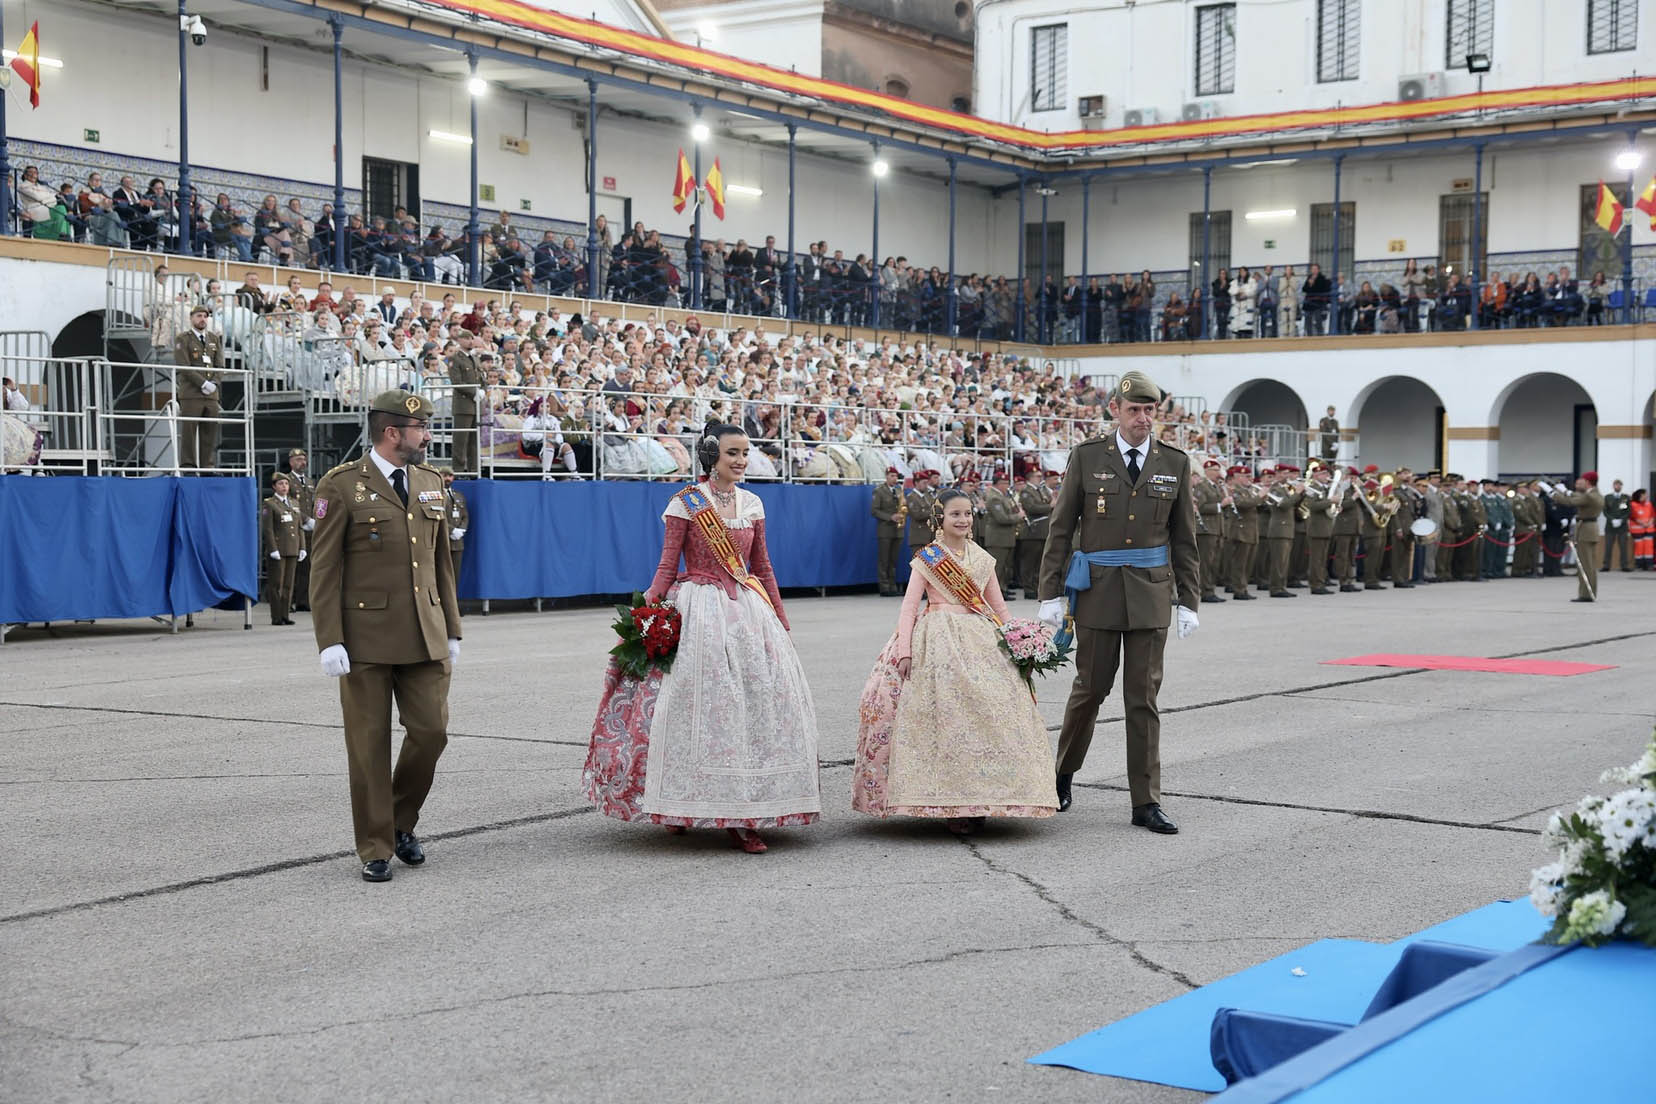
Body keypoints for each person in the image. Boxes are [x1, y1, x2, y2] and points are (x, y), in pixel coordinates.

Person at [583, 424, 821, 854]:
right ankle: (682, 804)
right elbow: (665, 566)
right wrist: (643, 617)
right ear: (712, 455)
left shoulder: (752, 503)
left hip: (748, 613)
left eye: (746, 453)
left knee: (752, 706)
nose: (742, 461)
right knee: (696, 708)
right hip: (698, 610)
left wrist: (780, 620)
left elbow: (762, 568)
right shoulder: (686, 503)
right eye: (733, 453)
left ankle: (743, 812)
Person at [308, 390, 462, 882]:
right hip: (365, 639)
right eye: (421, 429)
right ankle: (375, 845)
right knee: (368, 744)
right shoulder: (343, 485)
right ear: (392, 433)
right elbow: (324, 569)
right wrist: (329, 639)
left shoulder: (431, 481)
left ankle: (400, 822)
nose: (429, 436)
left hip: (425, 633)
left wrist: (452, 627)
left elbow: (441, 564)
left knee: (431, 732)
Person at [1037, 370, 1200, 833]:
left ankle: (1145, 802)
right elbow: (1062, 527)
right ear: (1115, 411)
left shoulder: (1174, 462)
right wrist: (1050, 592)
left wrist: (1189, 600)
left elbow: (1185, 538)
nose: (1142, 419)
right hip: (1098, 592)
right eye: (1134, 410)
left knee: (1142, 699)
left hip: (1150, 594)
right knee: (1089, 690)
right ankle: (1062, 776)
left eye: (1149, 411)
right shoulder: (1088, 457)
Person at [852, 489, 1058, 834]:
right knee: (946, 719)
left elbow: (998, 606)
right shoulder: (928, 558)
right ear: (940, 520)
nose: (963, 520)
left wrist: (1018, 643)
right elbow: (908, 607)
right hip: (937, 639)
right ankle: (949, 802)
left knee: (990, 716)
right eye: (955, 515)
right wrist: (905, 650)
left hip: (980, 637)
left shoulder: (982, 558)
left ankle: (986, 796)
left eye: (967, 514)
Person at [172, 305, 223, 472]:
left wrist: (214, 383)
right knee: (189, 432)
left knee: (210, 431)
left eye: (205, 316)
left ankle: (207, 466)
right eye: (199, 316)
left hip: (211, 395)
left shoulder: (213, 339)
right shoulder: (183, 339)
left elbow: (220, 365)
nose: (202, 319)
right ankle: (188, 466)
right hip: (191, 394)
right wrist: (203, 383)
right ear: (191, 318)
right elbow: (184, 366)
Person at [1548, 472, 1603, 602]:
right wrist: (1566, 491)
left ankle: (1585, 594)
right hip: (1590, 529)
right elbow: (1577, 497)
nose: (1580, 483)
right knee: (1589, 564)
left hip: (1585, 530)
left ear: (1588, 482)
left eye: (1582, 480)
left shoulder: (1590, 496)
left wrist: (1553, 493)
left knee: (1584, 565)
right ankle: (1590, 592)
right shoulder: (1595, 494)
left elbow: (1571, 501)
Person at [261, 472, 306, 626]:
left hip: (292, 548)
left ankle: (285, 614)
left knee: (288, 584)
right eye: (280, 484)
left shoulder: (294, 503)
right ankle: (276, 616)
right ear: (274, 486)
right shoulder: (270, 503)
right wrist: (273, 548)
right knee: (277, 584)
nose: (284, 487)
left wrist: (302, 547)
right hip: (278, 550)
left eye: (286, 484)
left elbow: (299, 527)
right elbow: (268, 529)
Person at [447, 330, 485, 474]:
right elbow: (456, 382)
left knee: (474, 442)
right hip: (463, 405)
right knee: (460, 441)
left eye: (472, 338)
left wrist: (483, 390)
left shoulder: (474, 358)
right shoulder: (455, 359)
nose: (470, 341)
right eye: (467, 338)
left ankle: (474, 470)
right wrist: (473, 392)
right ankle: (457, 470)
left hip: (476, 405)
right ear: (460, 340)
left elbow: (481, 378)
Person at [1017, 469, 1056, 601]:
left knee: (1039, 562)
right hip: (1032, 532)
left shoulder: (1041, 490)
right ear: (1030, 477)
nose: (1040, 478)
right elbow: (1032, 508)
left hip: (1042, 531)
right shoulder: (1027, 491)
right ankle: (1028, 588)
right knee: (1029, 562)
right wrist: (1049, 506)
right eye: (1037, 476)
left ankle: (1035, 587)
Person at [981, 470, 1020, 594]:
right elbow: (1002, 518)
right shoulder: (994, 498)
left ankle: (1002, 589)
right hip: (998, 538)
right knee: (997, 568)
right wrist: (1018, 516)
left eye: (1007, 482)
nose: (1007, 485)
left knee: (1004, 567)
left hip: (1005, 537)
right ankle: (994, 593)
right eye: (1004, 483)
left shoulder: (1002, 496)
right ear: (997, 484)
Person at [871, 467, 905, 597]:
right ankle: (884, 587)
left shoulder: (898, 490)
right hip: (885, 529)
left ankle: (893, 586)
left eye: (896, 476)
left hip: (897, 530)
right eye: (892, 476)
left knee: (893, 560)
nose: (894, 479)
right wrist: (890, 517)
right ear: (886, 476)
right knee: (884, 560)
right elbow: (874, 510)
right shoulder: (879, 491)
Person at [441, 467, 469, 583]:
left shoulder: (458, 495)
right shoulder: (435, 496)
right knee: (442, 576)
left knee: (455, 576)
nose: (448, 478)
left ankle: (453, 601)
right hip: (442, 541)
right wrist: (451, 530)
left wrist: (461, 530)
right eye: (444, 475)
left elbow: (465, 516)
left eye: (450, 475)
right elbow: (437, 517)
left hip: (457, 543)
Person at [1602, 479, 1631, 572]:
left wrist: (1621, 520)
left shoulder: (1625, 497)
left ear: (1621, 486)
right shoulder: (1608, 497)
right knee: (1608, 546)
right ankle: (1606, 565)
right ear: (1613, 486)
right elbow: (1605, 511)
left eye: (1619, 485)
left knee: (1623, 546)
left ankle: (1624, 565)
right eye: (1616, 485)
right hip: (1610, 526)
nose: (1617, 487)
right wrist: (1612, 520)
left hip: (1622, 527)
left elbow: (1628, 511)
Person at [1629, 489, 1653, 570]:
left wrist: (1649, 523)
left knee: (1648, 547)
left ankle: (1649, 564)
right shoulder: (1633, 504)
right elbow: (1633, 516)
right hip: (1637, 530)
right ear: (1641, 495)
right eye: (1645, 494)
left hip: (1649, 530)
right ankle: (1639, 564)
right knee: (1639, 547)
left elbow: (1653, 515)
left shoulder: (1649, 504)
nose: (1647, 496)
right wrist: (1643, 524)